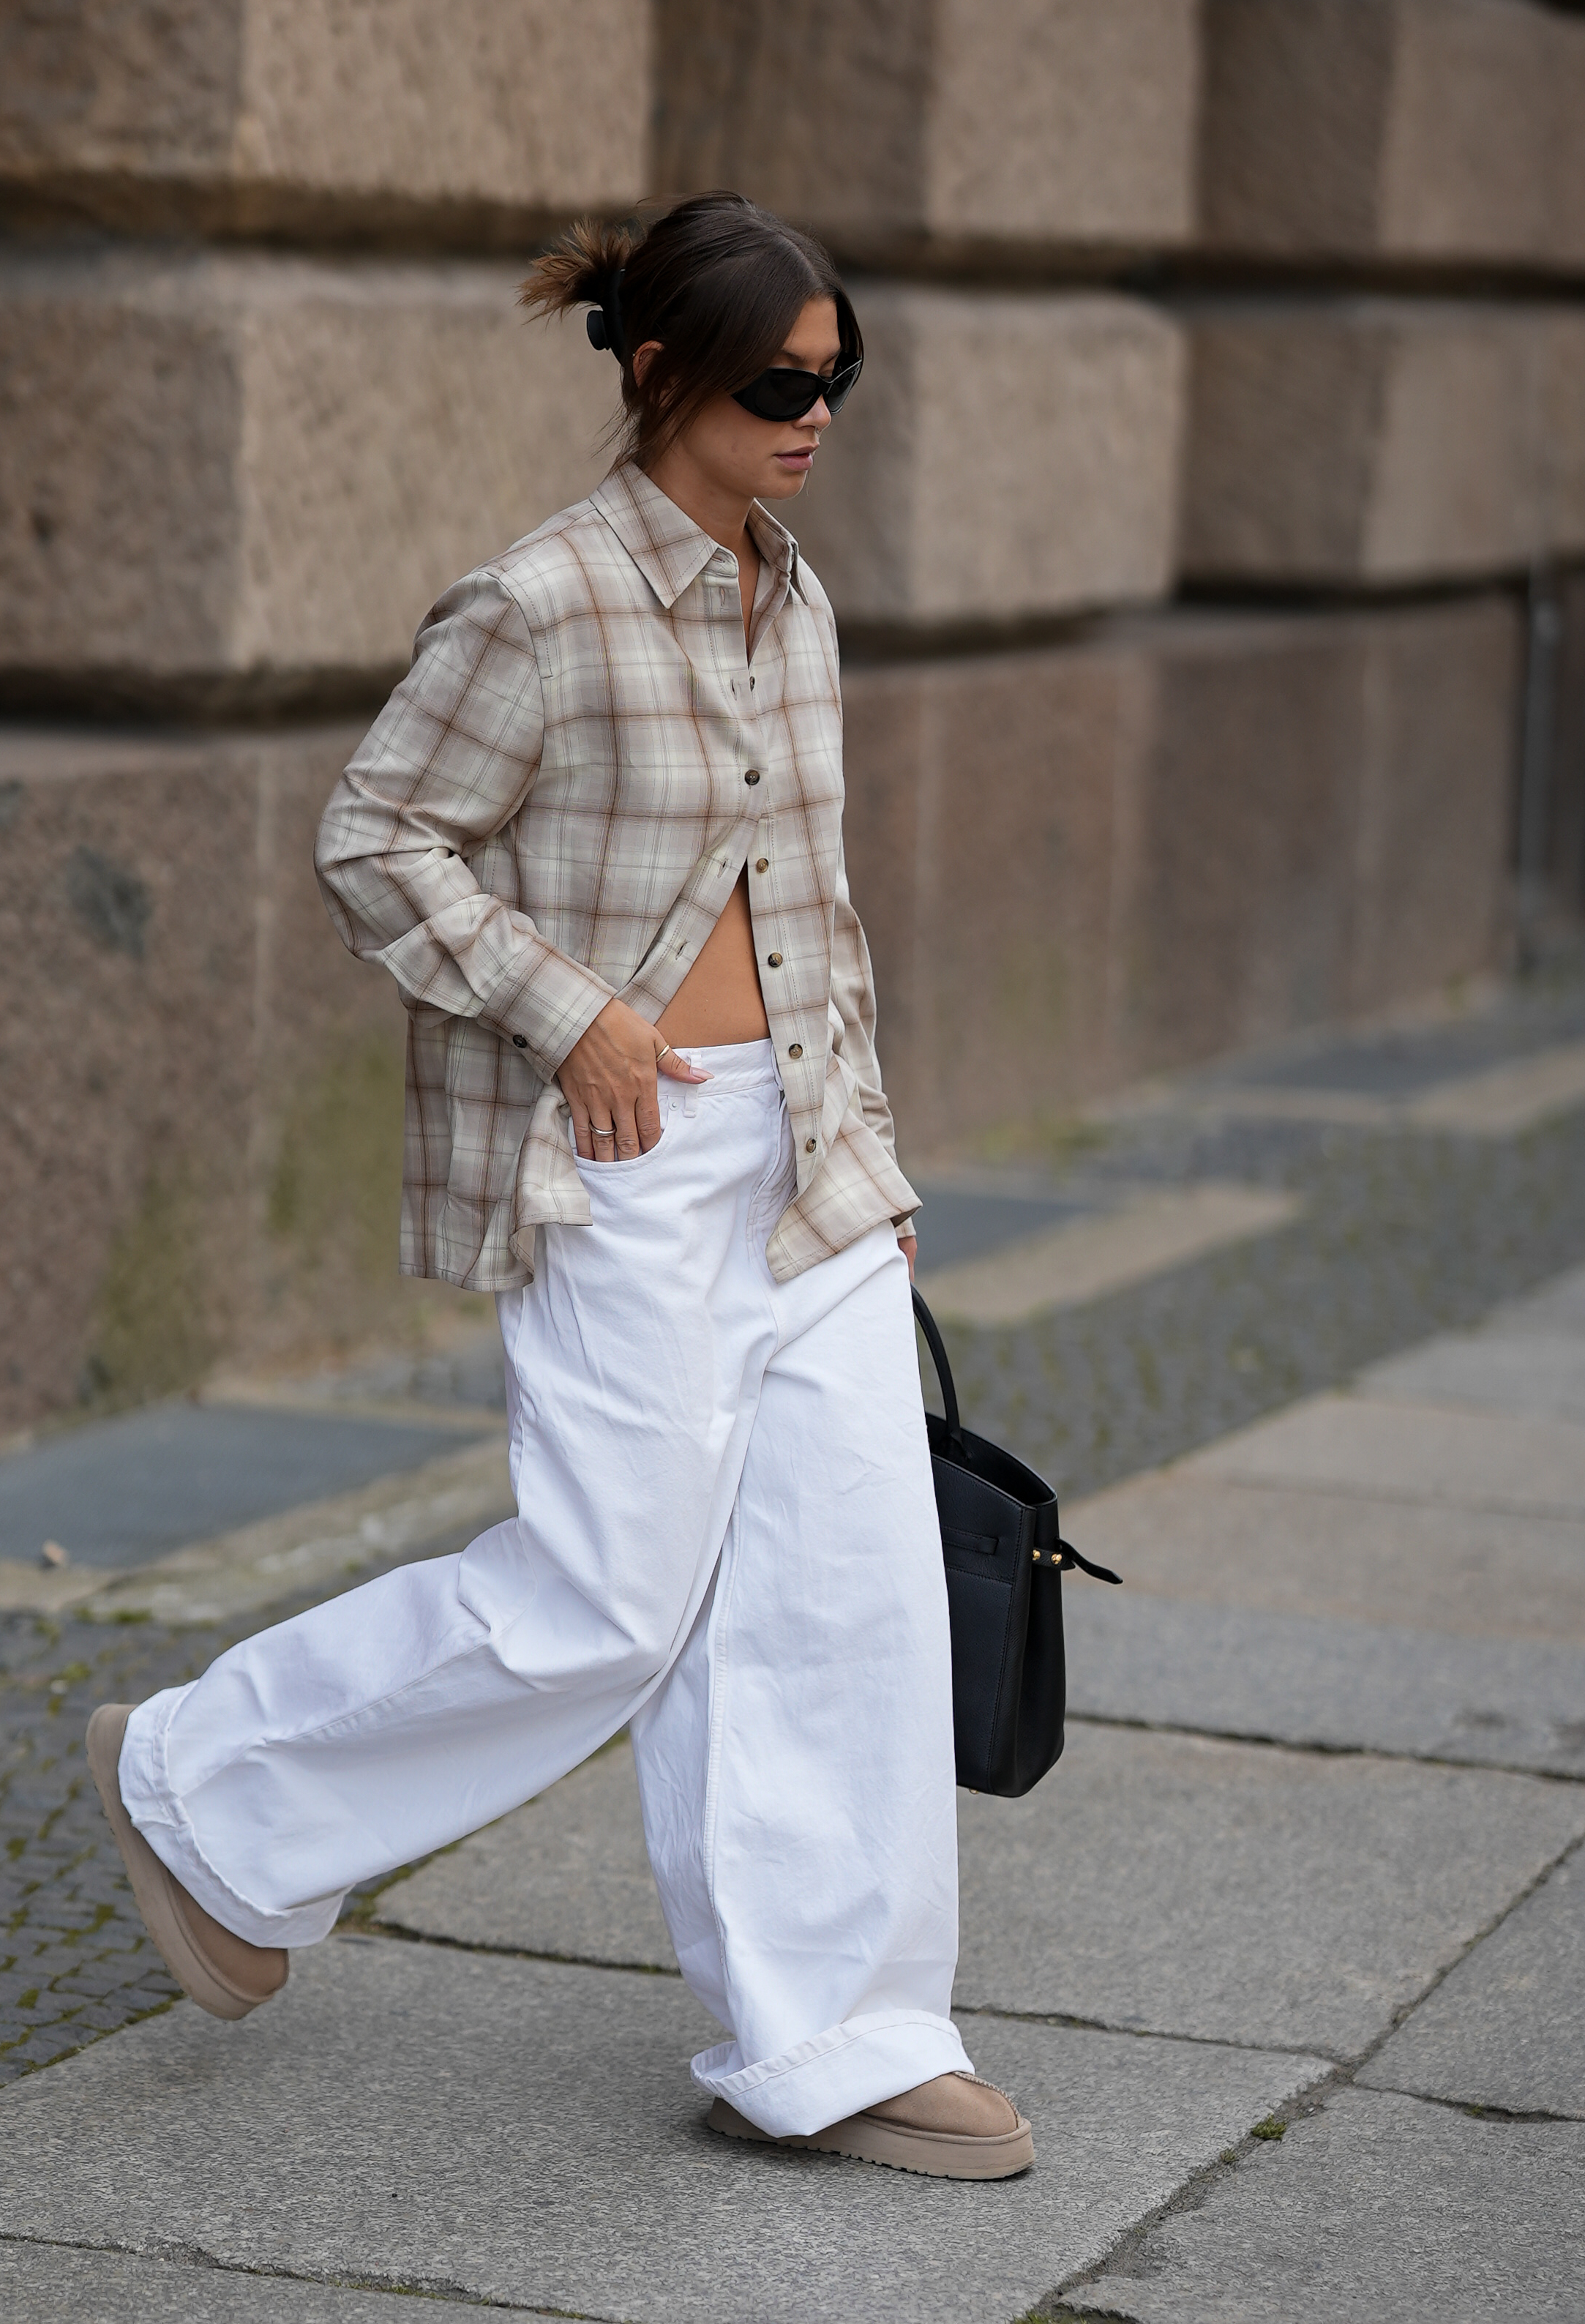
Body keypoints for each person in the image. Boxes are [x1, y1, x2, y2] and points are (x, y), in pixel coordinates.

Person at [86, 190, 1033, 2181]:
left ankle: (839, 2039)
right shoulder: (541, 605)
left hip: (804, 1169)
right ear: (660, 370)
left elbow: (818, 911)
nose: (818, 416)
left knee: (848, 1594)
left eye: (840, 379)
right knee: (608, 1598)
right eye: (784, 381)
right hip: (627, 1160)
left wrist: (862, 1151)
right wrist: (573, 1015)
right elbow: (381, 837)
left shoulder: (800, 603)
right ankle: (210, 1788)